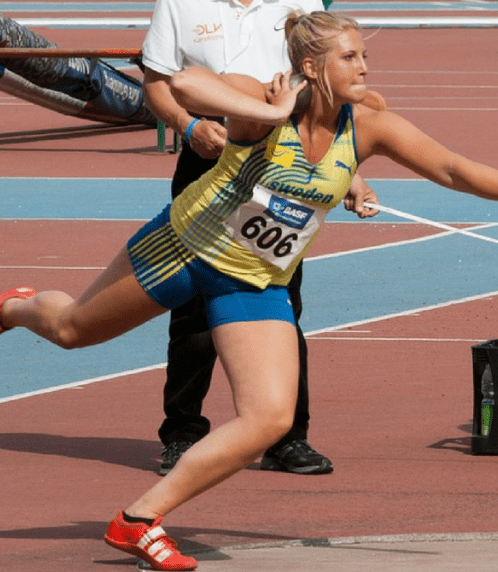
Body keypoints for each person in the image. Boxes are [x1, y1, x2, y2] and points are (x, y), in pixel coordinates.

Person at [0, 11, 498, 570]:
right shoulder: (261, 100)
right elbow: (183, 82)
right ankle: (10, 307)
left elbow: (451, 167)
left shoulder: (364, 123)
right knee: (72, 332)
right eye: (351, 56)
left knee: (271, 417)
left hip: (255, 278)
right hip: (183, 248)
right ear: (312, 66)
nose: (365, 67)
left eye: (366, 55)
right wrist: (264, 109)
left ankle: (139, 519)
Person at [140, 0, 372, 476]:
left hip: (287, 161)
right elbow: (158, 86)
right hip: (211, 153)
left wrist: (348, 174)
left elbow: (329, 101)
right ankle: (182, 434)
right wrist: (188, 126)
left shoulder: (301, 2)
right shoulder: (179, 3)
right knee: (193, 311)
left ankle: (288, 438)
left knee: (284, 303)